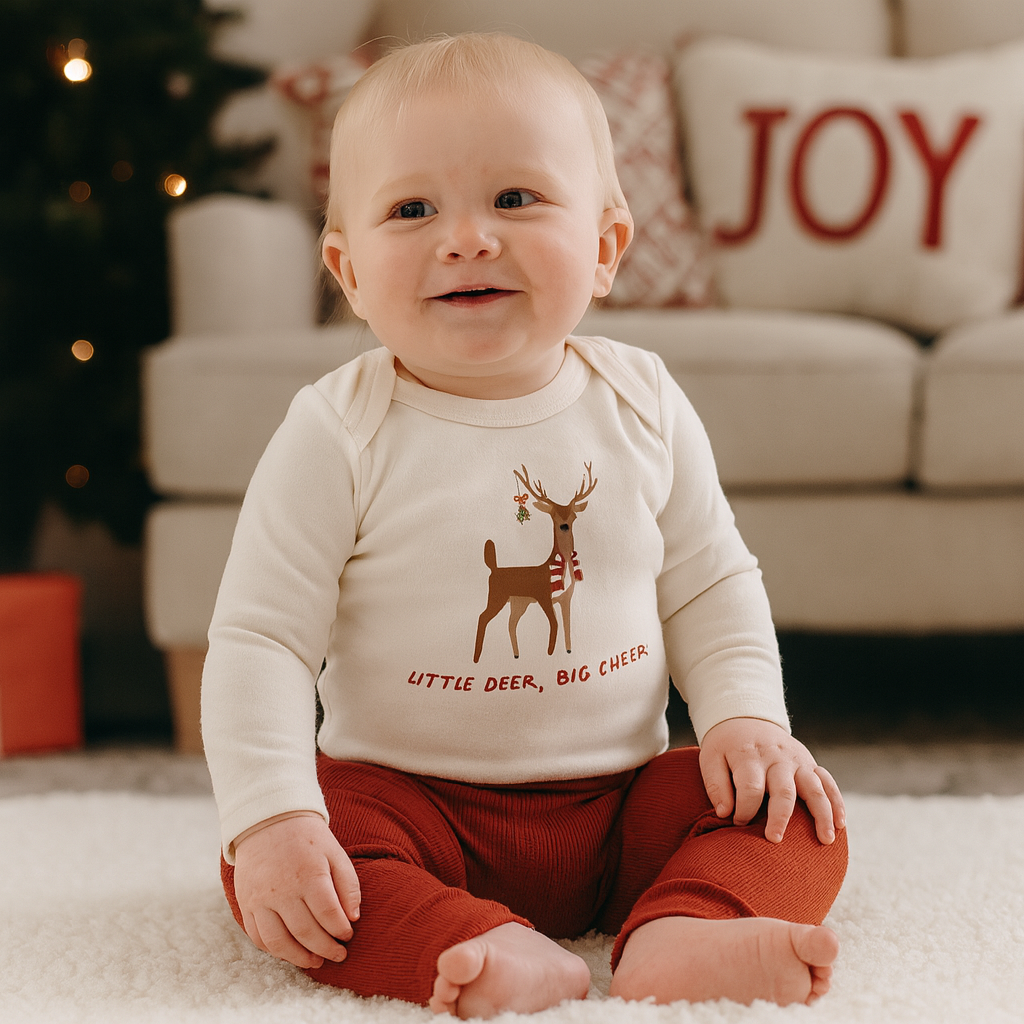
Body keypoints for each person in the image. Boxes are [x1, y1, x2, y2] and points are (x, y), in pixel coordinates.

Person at [202, 32, 848, 1019]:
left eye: (514, 198)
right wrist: (274, 818)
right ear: (348, 271)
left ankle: (686, 927)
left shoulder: (640, 400)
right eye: (412, 210)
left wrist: (747, 720)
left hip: (619, 808)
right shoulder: (337, 429)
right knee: (281, 863)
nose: (466, 238)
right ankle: (471, 942)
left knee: (799, 809)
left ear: (605, 248)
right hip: (408, 804)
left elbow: (710, 580)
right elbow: (261, 638)